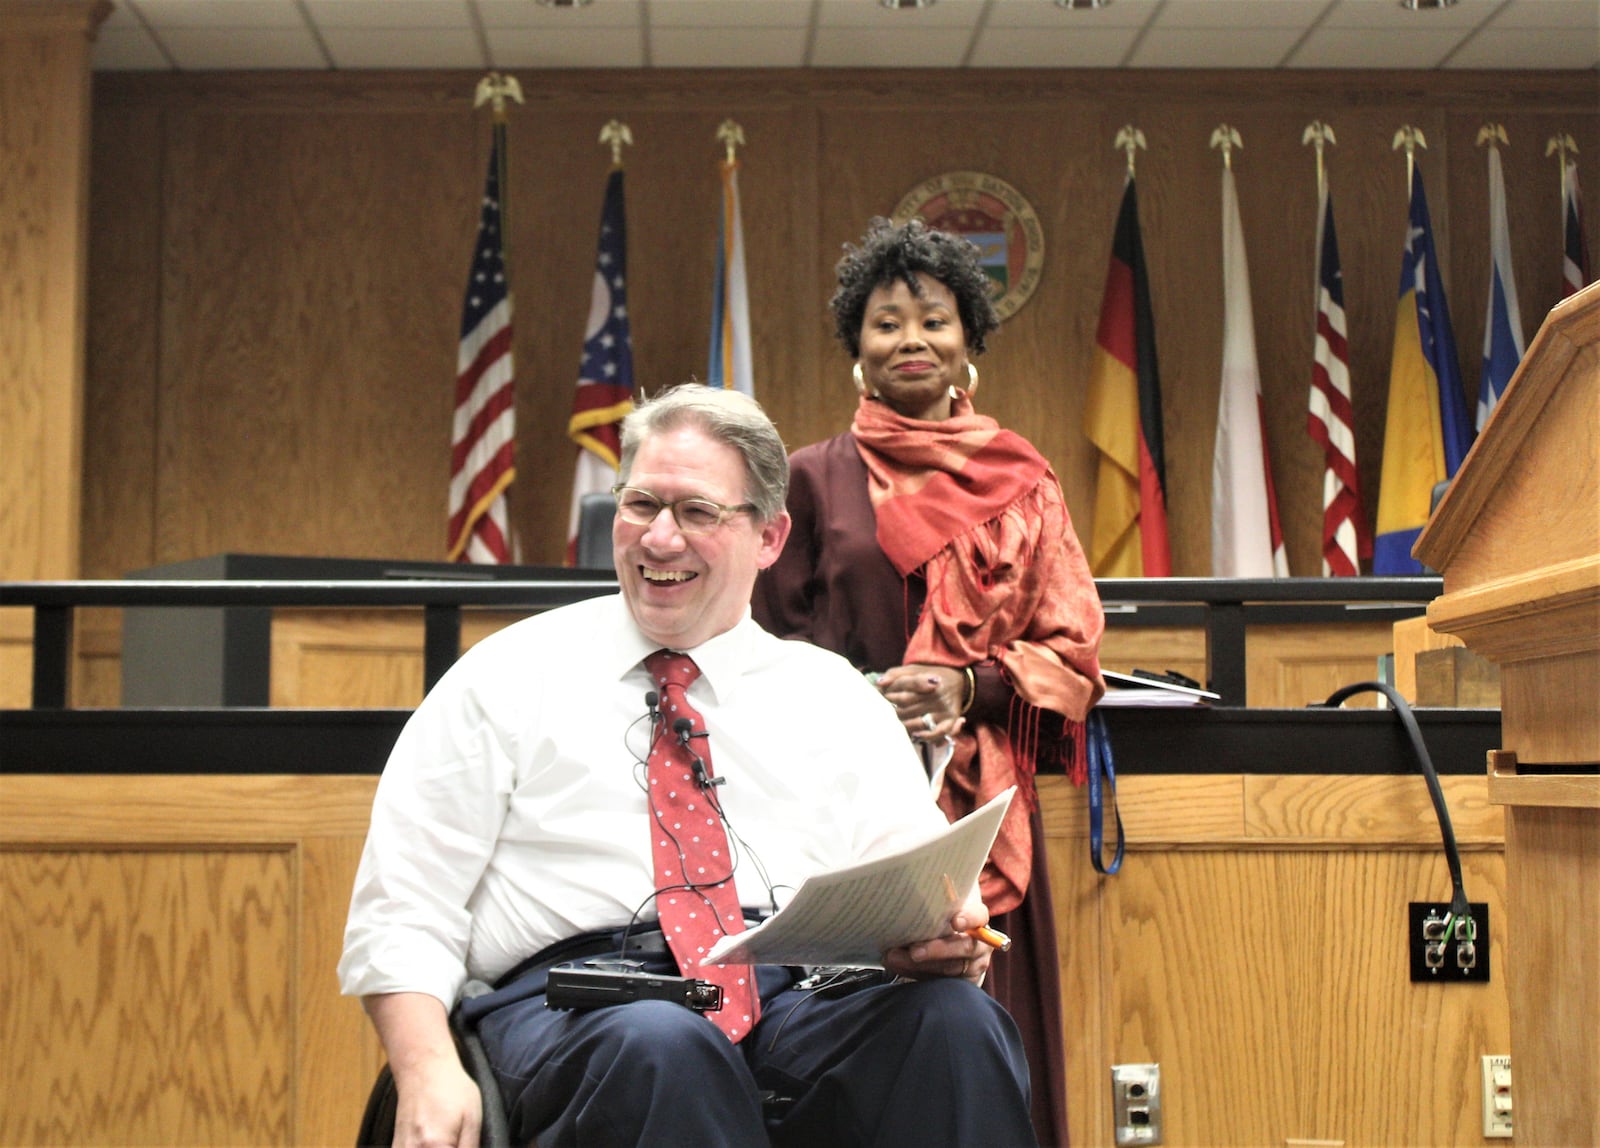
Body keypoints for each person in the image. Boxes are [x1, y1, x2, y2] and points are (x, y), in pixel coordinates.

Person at [340, 383, 1038, 1148]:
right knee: (664, 1045)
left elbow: (924, 892)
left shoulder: (833, 697)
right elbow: (402, 910)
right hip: (578, 1009)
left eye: (697, 513)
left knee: (953, 1025)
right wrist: (427, 1070)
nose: (659, 539)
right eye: (641, 505)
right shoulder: (505, 677)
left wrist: (946, 938)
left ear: (770, 538)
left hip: (793, 996)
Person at [753, 218, 1106, 1147]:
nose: (911, 339)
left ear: (969, 344)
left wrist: (972, 690)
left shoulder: (1025, 483)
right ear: (856, 353)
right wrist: (850, 698)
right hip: (832, 816)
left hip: (974, 821)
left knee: (971, 1049)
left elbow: (1073, 654)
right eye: (885, 323)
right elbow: (755, 650)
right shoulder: (809, 480)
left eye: (934, 320)